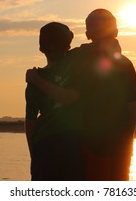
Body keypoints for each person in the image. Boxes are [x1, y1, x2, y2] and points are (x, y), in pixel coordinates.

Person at [26, 9, 136, 180]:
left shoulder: (78, 60)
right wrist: (128, 142)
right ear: (116, 32)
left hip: (88, 145)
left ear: (87, 34)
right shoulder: (125, 64)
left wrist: (35, 79)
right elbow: (132, 109)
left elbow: (31, 121)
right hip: (116, 145)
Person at [25, 22, 83, 181]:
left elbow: (30, 123)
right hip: (71, 145)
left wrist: (34, 156)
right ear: (68, 46)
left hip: (47, 146)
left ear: (40, 49)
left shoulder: (34, 80)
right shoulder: (77, 64)